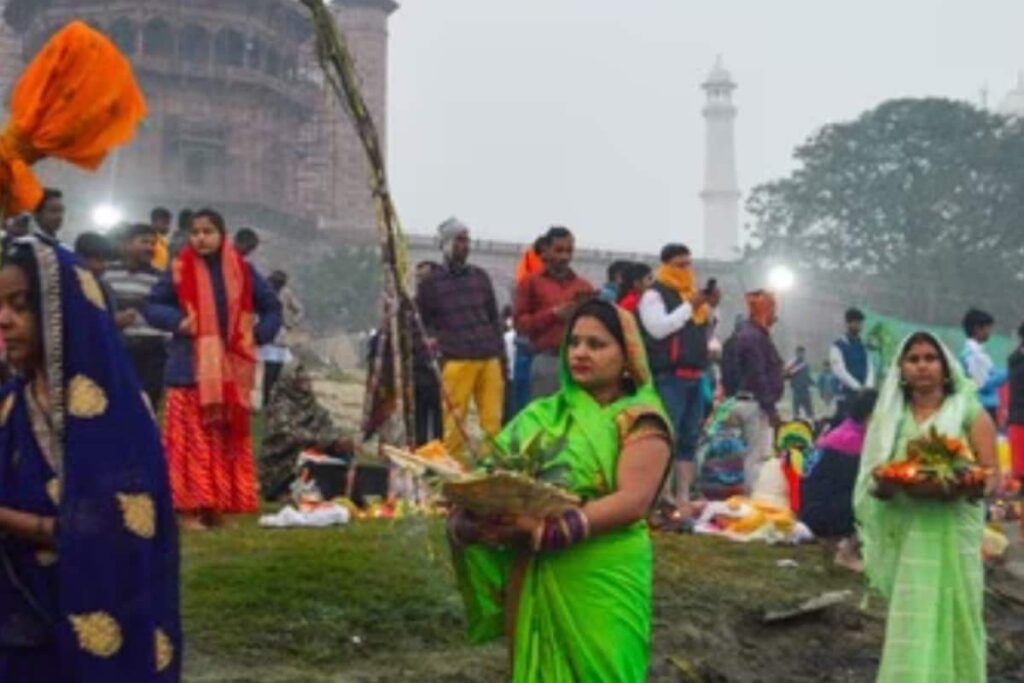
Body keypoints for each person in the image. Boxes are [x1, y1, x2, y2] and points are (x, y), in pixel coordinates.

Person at [449, 299, 671, 681]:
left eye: (597, 345)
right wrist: (472, 515)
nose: (581, 353)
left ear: (628, 354)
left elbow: (633, 500)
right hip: (535, 564)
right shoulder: (542, 414)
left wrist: (552, 530)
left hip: (603, 567)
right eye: (575, 343)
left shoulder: (640, 417)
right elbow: (491, 471)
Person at [0, 236, 181, 681]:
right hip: (18, 627)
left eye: (20, 306)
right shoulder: (11, 406)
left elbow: (112, 535)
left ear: (64, 314)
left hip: (96, 628)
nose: (3, 321)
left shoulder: (116, 418)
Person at [855, 331, 999, 683]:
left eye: (930, 358)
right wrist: (888, 485)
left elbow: (992, 473)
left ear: (946, 367)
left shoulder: (969, 410)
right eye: (913, 359)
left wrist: (966, 484)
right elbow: (875, 478)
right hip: (908, 526)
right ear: (901, 369)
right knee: (911, 611)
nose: (922, 366)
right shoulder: (889, 417)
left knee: (958, 609)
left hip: (955, 527)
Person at [144, 208, 281, 529]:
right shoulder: (179, 269)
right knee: (187, 444)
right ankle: (186, 510)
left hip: (229, 372)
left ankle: (214, 507)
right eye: (195, 232)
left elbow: (271, 307)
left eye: (208, 231)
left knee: (221, 440)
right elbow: (152, 305)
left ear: (222, 235)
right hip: (188, 369)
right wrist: (178, 322)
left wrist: (258, 334)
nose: (201, 238)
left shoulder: (243, 270)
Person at [638, 243, 720, 510]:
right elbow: (658, 329)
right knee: (665, 436)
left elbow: (705, 336)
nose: (686, 270)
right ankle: (657, 494)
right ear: (666, 265)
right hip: (669, 377)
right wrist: (689, 306)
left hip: (696, 376)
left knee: (689, 436)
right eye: (680, 265)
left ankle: (682, 494)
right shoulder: (654, 295)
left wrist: (710, 307)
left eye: (688, 264)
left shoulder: (691, 296)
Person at [416, 218, 505, 459]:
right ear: (446, 244)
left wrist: (499, 352)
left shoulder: (480, 277)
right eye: (460, 240)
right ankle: (450, 473)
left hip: (488, 357)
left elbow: (493, 318)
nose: (465, 246)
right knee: (453, 423)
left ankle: (492, 469)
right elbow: (423, 324)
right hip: (456, 359)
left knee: (492, 422)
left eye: (467, 240)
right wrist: (434, 352)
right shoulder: (431, 283)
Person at [799, 389, 878, 564]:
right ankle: (848, 552)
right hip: (824, 512)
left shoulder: (841, 431)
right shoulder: (851, 441)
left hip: (810, 506)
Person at [515, 226, 594, 399]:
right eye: (559, 250)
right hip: (547, 360)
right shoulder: (530, 282)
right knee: (546, 420)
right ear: (546, 250)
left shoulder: (584, 286)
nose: (564, 256)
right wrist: (553, 314)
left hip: (581, 362)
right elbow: (520, 324)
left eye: (569, 251)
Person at [259, 364, 354, 500]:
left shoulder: (310, 404)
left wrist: (339, 440)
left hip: (309, 454)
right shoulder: (280, 405)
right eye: (301, 381)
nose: (306, 384)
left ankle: (345, 487)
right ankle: (285, 491)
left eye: (307, 380)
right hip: (282, 463)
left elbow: (326, 424)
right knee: (306, 458)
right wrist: (328, 441)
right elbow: (290, 436)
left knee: (342, 452)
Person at [104, 223, 169, 409]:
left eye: (152, 243)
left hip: (152, 349)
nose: (149, 247)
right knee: (116, 402)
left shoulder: (161, 278)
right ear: (126, 245)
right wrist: (113, 321)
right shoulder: (107, 273)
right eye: (144, 242)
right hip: (119, 346)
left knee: (147, 404)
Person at [732, 290, 784, 491]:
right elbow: (757, 374)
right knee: (757, 456)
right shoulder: (754, 337)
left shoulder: (749, 334)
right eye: (772, 312)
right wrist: (771, 408)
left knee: (751, 455)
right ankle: (753, 498)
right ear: (764, 311)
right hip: (756, 403)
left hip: (748, 398)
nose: (775, 318)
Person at [260, 270, 304, 408]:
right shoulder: (265, 292)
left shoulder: (286, 293)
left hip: (282, 334)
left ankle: (274, 401)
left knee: (278, 370)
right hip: (268, 334)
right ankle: (266, 401)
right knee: (269, 371)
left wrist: (291, 323)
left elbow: (300, 309)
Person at [410, 261, 442, 446]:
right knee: (419, 421)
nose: (420, 283)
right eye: (418, 278)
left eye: (424, 278)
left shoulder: (445, 306)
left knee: (440, 422)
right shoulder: (412, 307)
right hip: (418, 372)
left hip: (441, 372)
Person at [960, 307, 1007, 423]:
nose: (990, 332)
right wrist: (1011, 371)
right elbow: (983, 384)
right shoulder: (972, 354)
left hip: (986, 406)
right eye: (988, 328)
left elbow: (991, 373)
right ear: (977, 329)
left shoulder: (979, 352)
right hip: (981, 407)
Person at [830, 308, 875, 420]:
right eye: (856, 322)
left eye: (860, 323)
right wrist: (857, 387)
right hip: (847, 395)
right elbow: (839, 371)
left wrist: (868, 388)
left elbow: (870, 368)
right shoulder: (837, 346)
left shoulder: (864, 346)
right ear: (848, 323)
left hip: (864, 395)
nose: (859, 326)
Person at [1007, 322, 1024, 541]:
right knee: (1021, 475)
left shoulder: (1015, 359)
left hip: (1017, 420)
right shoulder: (1017, 361)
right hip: (1020, 421)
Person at [73, 231, 118, 310]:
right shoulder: (72, 286)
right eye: (99, 260)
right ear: (81, 257)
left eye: (107, 260)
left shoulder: (105, 287)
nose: (105, 265)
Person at [785, 345, 814, 420]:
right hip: (796, 386)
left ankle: (810, 416)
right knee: (796, 403)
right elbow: (787, 374)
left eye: (802, 352)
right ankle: (796, 416)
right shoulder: (792, 363)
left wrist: (811, 382)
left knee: (807, 402)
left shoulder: (805, 363)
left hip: (804, 386)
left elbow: (806, 374)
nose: (801, 354)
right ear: (796, 353)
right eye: (799, 352)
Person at [150, 206, 173, 270]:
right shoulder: (150, 240)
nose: (168, 226)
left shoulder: (165, 240)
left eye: (168, 223)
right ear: (155, 221)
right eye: (165, 222)